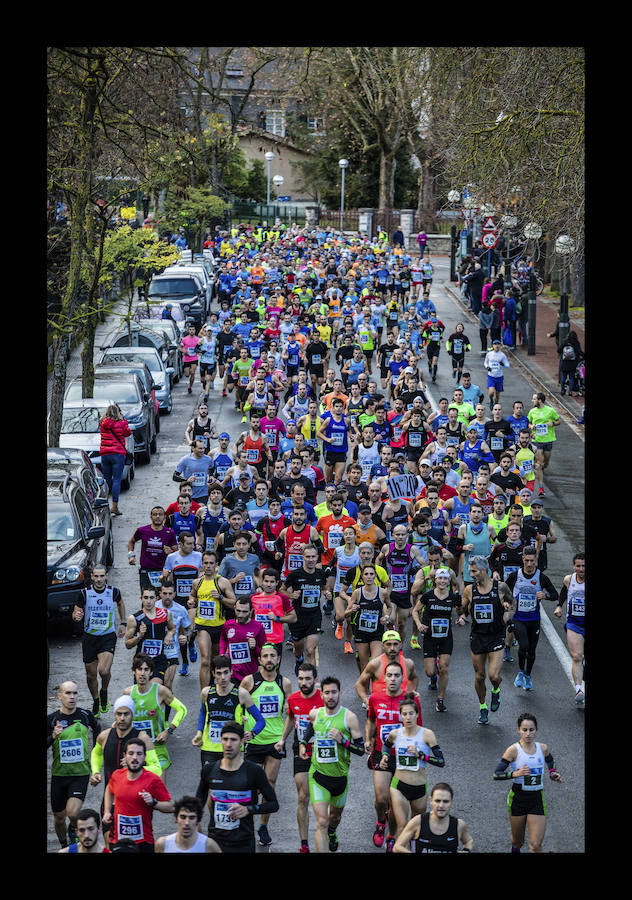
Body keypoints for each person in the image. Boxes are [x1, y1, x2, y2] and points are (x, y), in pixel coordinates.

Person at [299, 676, 365, 853]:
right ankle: (326, 833)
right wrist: (303, 743)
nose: (330, 696)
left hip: (340, 778)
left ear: (340, 693)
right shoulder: (315, 714)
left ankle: (332, 832)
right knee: (321, 821)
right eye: (327, 692)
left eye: (334, 692)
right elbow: (310, 728)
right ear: (321, 695)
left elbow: (360, 750)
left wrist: (343, 741)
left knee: (334, 818)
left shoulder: (349, 718)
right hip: (318, 776)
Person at [366, 663, 423, 851]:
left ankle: (391, 835)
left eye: (396, 675)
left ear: (402, 678)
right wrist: (368, 739)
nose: (392, 679)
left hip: (402, 758)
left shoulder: (411, 700)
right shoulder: (374, 697)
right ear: (384, 677)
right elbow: (371, 720)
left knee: (394, 801)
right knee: (381, 799)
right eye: (389, 675)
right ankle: (380, 821)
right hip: (381, 754)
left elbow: (419, 729)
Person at [198, 721, 279, 853]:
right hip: (215, 841)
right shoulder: (209, 770)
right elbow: (198, 801)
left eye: (233, 740)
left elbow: (273, 804)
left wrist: (248, 809)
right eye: (225, 739)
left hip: (243, 842)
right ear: (221, 740)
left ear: (241, 742)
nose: (229, 744)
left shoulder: (253, 771)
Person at [240, 643, 292, 846]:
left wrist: (283, 739)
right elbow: (238, 705)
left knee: (269, 784)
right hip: (253, 741)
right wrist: (240, 724)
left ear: (278, 659)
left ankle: (262, 826)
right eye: (265, 656)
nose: (269, 659)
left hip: (274, 741)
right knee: (249, 787)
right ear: (259, 659)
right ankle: (244, 824)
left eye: (273, 656)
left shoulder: (285, 683)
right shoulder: (249, 681)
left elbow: (290, 713)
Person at [380, 694, 444, 848]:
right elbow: (386, 745)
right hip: (398, 786)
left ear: (417, 714)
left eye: (411, 713)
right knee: (403, 827)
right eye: (404, 714)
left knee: (416, 830)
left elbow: (441, 761)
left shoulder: (427, 735)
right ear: (400, 716)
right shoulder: (395, 734)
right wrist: (385, 756)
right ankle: (396, 844)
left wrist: (421, 755)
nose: (408, 717)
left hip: (419, 787)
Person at [493, 712, 562, 853]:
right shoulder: (513, 751)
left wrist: (552, 772)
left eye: (532, 730)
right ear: (519, 730)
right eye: (524, 730)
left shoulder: (543, 748)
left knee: (536, 845)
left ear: (536, 730)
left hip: (537, 799)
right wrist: (514, 774)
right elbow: (496, 774)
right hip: (517, 800)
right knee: (518, 841)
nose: (528, 733)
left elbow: (549, 760)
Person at [277, 661, 325, 853]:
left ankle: (327, 829)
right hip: (301, 749)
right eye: (300, 679)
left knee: (323, 799)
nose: (303, 682)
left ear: (315, 680)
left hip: (323, 750)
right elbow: (291, 717)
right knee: (303, 796)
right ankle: (304, 843)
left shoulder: (324, 698)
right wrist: (282, 739)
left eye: (307, 679)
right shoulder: (294, 699)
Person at [460, 556, 514, 725]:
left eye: (474, 571)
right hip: (477, 636)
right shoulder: (469, 590)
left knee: (494, 675)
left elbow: (512, 602)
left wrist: (507, 614)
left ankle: (496, 689)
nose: (471, 574)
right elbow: (463, 609)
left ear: (484, 571)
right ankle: (483, 706)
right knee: (479, 676)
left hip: (496, 635)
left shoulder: (501, 587)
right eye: (470, 571)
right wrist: (462, 614)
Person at [47, 681, 101, 849]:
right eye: (68, 693)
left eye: (75, 693)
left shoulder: (85, 715)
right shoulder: (52, 719)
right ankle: (64, 845)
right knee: (59, 817)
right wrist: (53, 737)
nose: (72, 697)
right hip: (59, 775)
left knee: (73, 813)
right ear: (60, 696)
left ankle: (73, 830)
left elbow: (97, 728)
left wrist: (95, 751)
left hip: (80, 774)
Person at [192, 654, 265, 774]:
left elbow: (261, 720)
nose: (223, 677)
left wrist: (252, 733)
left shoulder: (241, 694)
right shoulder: (206, 692)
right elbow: (203, 715)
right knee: (212, 786)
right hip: (209, 748)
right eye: (219, 673)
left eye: (226, 672)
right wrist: (199, 733)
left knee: (231, 786)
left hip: (232, 750)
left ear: (231, 672)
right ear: (213, 674)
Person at [71, 564, 126, 718]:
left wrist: (123, 623)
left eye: (102, 576)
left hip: (107, 637)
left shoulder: (113, 592)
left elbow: (120, 603)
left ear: (106, 576)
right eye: (96, 576)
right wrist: (76, 616)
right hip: (90, 638)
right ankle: (96, 700)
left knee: (104, 670)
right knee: (91, 675)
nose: (99, 579)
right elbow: (76, 611)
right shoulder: (84, 593)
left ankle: (104, 691)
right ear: (92, 577)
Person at [123, 653, 188, 779]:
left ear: (151, 672)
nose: (142, 673)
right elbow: (122, 719)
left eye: (146, 669)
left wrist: (168, 731)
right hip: (135, 751)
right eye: (139, 669)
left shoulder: (160, 691)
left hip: (157, 748)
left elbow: (182, 709)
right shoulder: (128, 693)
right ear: (133, 672)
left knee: (160, 793)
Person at [103, 737, 174, 851]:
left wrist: (153, 803)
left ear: (145, 757)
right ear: (125, 756)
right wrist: (107, 811)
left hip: (143, 842)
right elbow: (109, 790)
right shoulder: (117, 775)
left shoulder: (152, 780)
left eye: (139, 754)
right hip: (119, 840)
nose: (135, 757)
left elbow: (171, 806)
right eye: (131, 753)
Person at [503, 546, 559, 691]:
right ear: (523, 559)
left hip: (534, 619)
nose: (529, 564)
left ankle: (528, 675)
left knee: (532, 651)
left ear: (536, 561)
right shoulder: (515, 576)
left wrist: (545, 596)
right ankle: (521, 672)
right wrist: (506, 603)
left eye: (532, 561)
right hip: (518, 618)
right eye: (527, 561)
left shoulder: (541, 577)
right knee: (524, 646)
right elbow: (504, 591)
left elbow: (555, 595)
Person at [412, 567, 464, 712]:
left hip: (446, 637)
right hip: (429, 636)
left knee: (444, 668)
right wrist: (419, 624)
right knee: (430, 671)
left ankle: (440, 699)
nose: (442, 581)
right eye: (440, 578)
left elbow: (461, 612)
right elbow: (415, 611)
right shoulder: (427, 596)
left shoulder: (454, 597)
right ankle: (433, 676)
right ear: (435, 580)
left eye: (445, 578)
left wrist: (461, 618)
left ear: (449, 581)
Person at [187, 550, 237, 687]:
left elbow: (234, 603)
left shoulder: (223, 582)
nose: (208, 566)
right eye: (205, 563)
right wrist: (192, 601)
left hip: (219, 626)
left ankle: (214, 688)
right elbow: (192, 596)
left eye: (211, 563)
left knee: (216, 662)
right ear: (202, 564)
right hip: (203, 626)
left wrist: (220, 597)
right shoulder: (197, 582)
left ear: (216, 565)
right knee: (205, 661)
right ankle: (204, 697)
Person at [282, 544, 330, 671]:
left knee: (310, 650)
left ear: (317, 557)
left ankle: (312, 681)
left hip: (314, 616)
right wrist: (291, 595)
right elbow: (281, 591)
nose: (311, 559)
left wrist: (326, 593)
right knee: (298, 649)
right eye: (308, 556)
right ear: (303, 557)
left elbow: (324, 587)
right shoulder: (295, 574)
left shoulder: (320, 574)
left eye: (313, 556)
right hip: (297, 616)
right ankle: (299, 660)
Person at [393, 782, 473, 853]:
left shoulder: (459, 825)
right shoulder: (418, 821)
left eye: (446, 801)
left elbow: (469, 841)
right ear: (431, 801)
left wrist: (466, 850)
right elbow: (397, 847)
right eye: (437, 801)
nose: (441, 806)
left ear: (451, 802)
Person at [345, 563, 393, 672]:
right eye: (366, 574)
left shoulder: (383, 592)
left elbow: (389, 607)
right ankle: (365, 689)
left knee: (375, 664)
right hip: (360, 632)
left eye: (372, 574)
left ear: (376, 575)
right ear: (362, 576)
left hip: (377, 632)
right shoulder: (357, 593)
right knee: (365, 667)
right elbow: (345, 614)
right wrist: (352, 610)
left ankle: (374, 688)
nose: (369, 576)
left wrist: (386, 617)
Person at [354, 630, 419, 706]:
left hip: (400, 708)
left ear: (400, 645)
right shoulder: (375, 664)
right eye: (388, 644)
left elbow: (414, 678)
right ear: (383, 646)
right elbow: (359, 684)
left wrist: (411, 693)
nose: (392, 648)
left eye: (395, 644)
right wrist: (366, 700)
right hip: (379, 707)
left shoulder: (408, 664)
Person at [553, 552, 585, 704]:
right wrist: (559, 606)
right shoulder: (569, 579)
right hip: (574, 623)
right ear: (574, 566)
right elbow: (564, 592)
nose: (581, 569)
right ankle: (579, 689)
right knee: (577, 656)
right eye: (578, 566)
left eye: (584, 566)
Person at [128, 507, 178, 591]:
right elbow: (131, 542)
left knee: (161, 597)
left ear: (164, 517)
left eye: (160, 514)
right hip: (146, 570)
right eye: (155, 514)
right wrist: (131, 556)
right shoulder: (142, 530)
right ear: (151, 517)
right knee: (146, 598)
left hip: (162, 571)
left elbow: (176, 551)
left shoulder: (169, 533)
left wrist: (170, 551)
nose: (157, 517)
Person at [155, 796, 221, 852]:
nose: (187, 823)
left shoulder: (209, 846)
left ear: (197, 821)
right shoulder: (162, 844)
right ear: (176, 819)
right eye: (183, 817)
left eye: (192, 818)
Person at [99, 403, 131, 515]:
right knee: (117, 479)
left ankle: (105, 505)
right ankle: (115, 506)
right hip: (118, 454)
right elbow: (128, 433)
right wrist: (124, 420)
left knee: (107, 480)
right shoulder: (121, 423)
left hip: (105, 454)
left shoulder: (103, 424)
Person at [527, 392, 561, 497]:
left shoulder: (550, 411)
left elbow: (559, 421)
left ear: (540, 400)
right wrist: (531, 426)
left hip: (548, 440)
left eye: (534, 399)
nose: (532, 401)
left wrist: (553, 424)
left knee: (545, 464)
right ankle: (541, 488)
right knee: (539, 464)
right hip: (537, 440)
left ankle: (541, 471)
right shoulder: (532, 411)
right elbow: (528, 422)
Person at [173, 439, 215, 506]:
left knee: (200, 511)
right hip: (189, 494)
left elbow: (212, 468)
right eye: (200, 448)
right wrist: (186, 480)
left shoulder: (208, 459)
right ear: (193, 448)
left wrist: (211, 476)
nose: (203, 450)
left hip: (203, 493)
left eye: (204, 448)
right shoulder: (185, 460)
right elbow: (175, 476)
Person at [484, 338, 511, 410]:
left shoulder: (502, 355)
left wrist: (503, 364)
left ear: (500, 346)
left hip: (499, 377)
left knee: (497, 395)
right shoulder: (489, 354)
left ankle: (495, 406)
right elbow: (485, 362)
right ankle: (491, 400)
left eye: (498, 344)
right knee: (491, 392)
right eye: (495, 344)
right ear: (492, 346)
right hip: (491, 376)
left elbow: (507, 365)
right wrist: (487, 367)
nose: (497, 346)